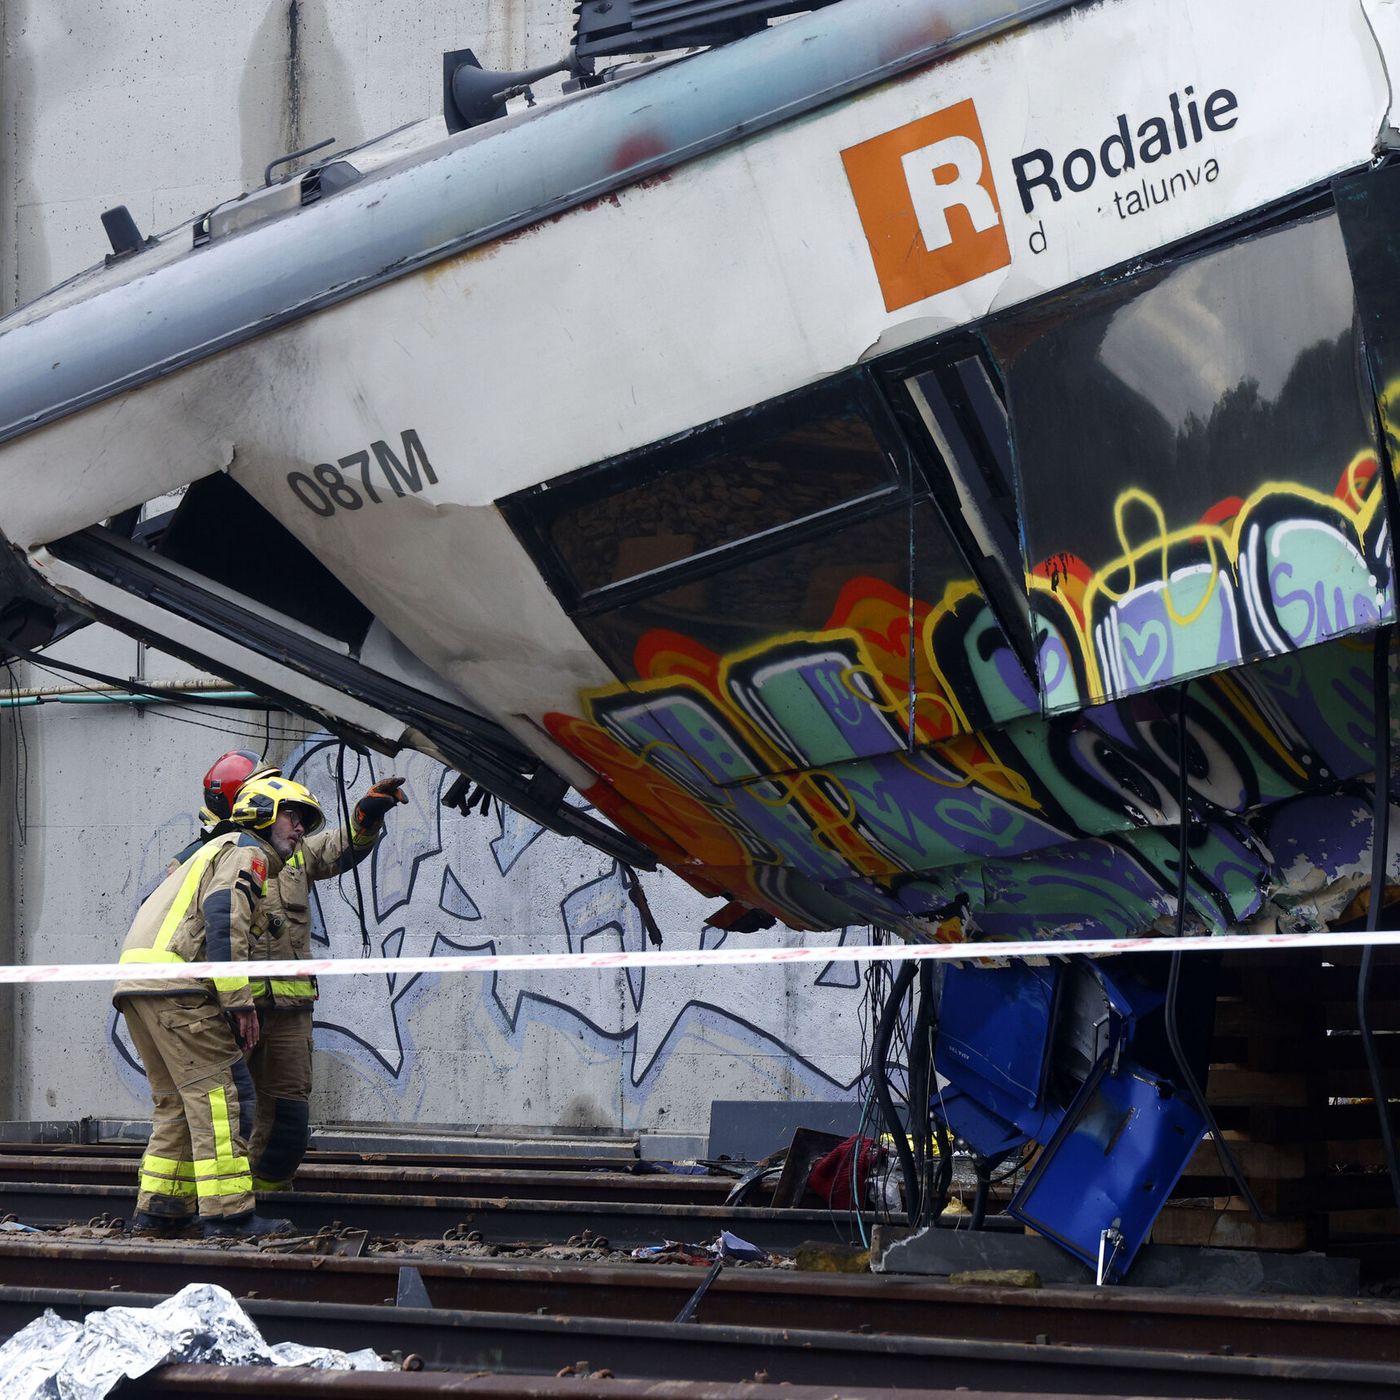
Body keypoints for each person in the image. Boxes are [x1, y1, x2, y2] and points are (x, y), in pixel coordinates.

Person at [174, 749, 407, 1196]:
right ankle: (202, 1205)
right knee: (221, 1115)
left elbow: (339, 849)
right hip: (226, 1010)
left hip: (287, 1011)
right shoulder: (204, 858)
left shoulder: (293, 851)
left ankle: (267, 1203)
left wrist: (367, 817)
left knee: (287, 1122)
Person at [115, 774, 326, 1238]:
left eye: (304, 822)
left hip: (141, 984)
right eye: (293, 817)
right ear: (264, 815)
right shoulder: (245, 851)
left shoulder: (218, 849)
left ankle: (161, 1209)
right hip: (179, 987)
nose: (300, 830)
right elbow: (221, 917)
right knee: (225, 1097)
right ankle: (229, 1215)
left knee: (176, 1100)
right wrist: (239, 1002)